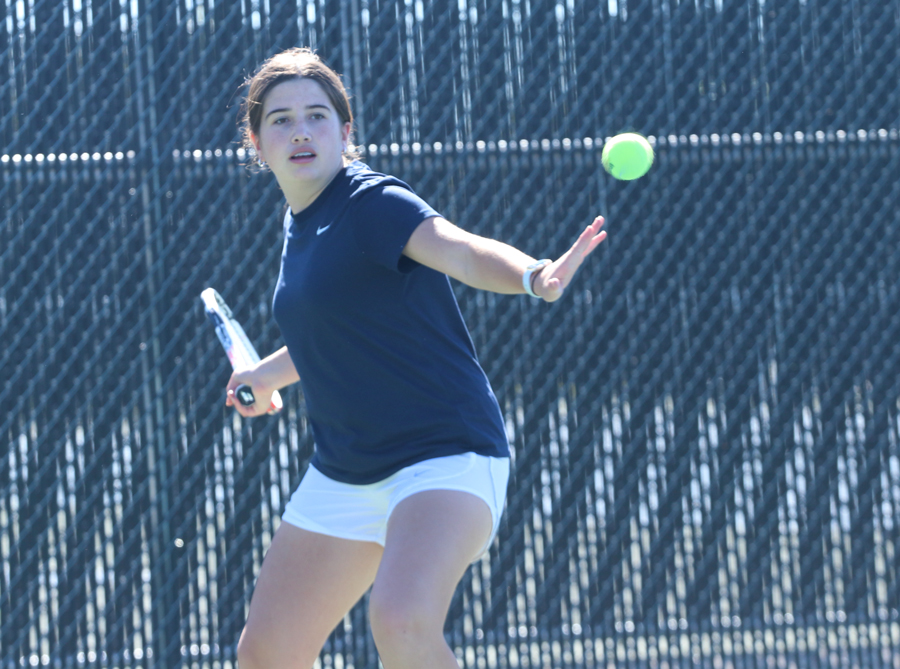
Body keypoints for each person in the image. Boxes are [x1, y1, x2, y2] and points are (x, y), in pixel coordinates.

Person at [228, 47, 606, 669]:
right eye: (281, 119)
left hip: (444, 455)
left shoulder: (370, 202)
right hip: (345, 469)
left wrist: (534, 275)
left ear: (345, 132)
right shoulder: (302, 223)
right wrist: (264, 377)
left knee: (401, 622)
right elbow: (337, 328)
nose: (300, 130)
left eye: (317, 116)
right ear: (257, 141)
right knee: (267, 654)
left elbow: (458, 251)